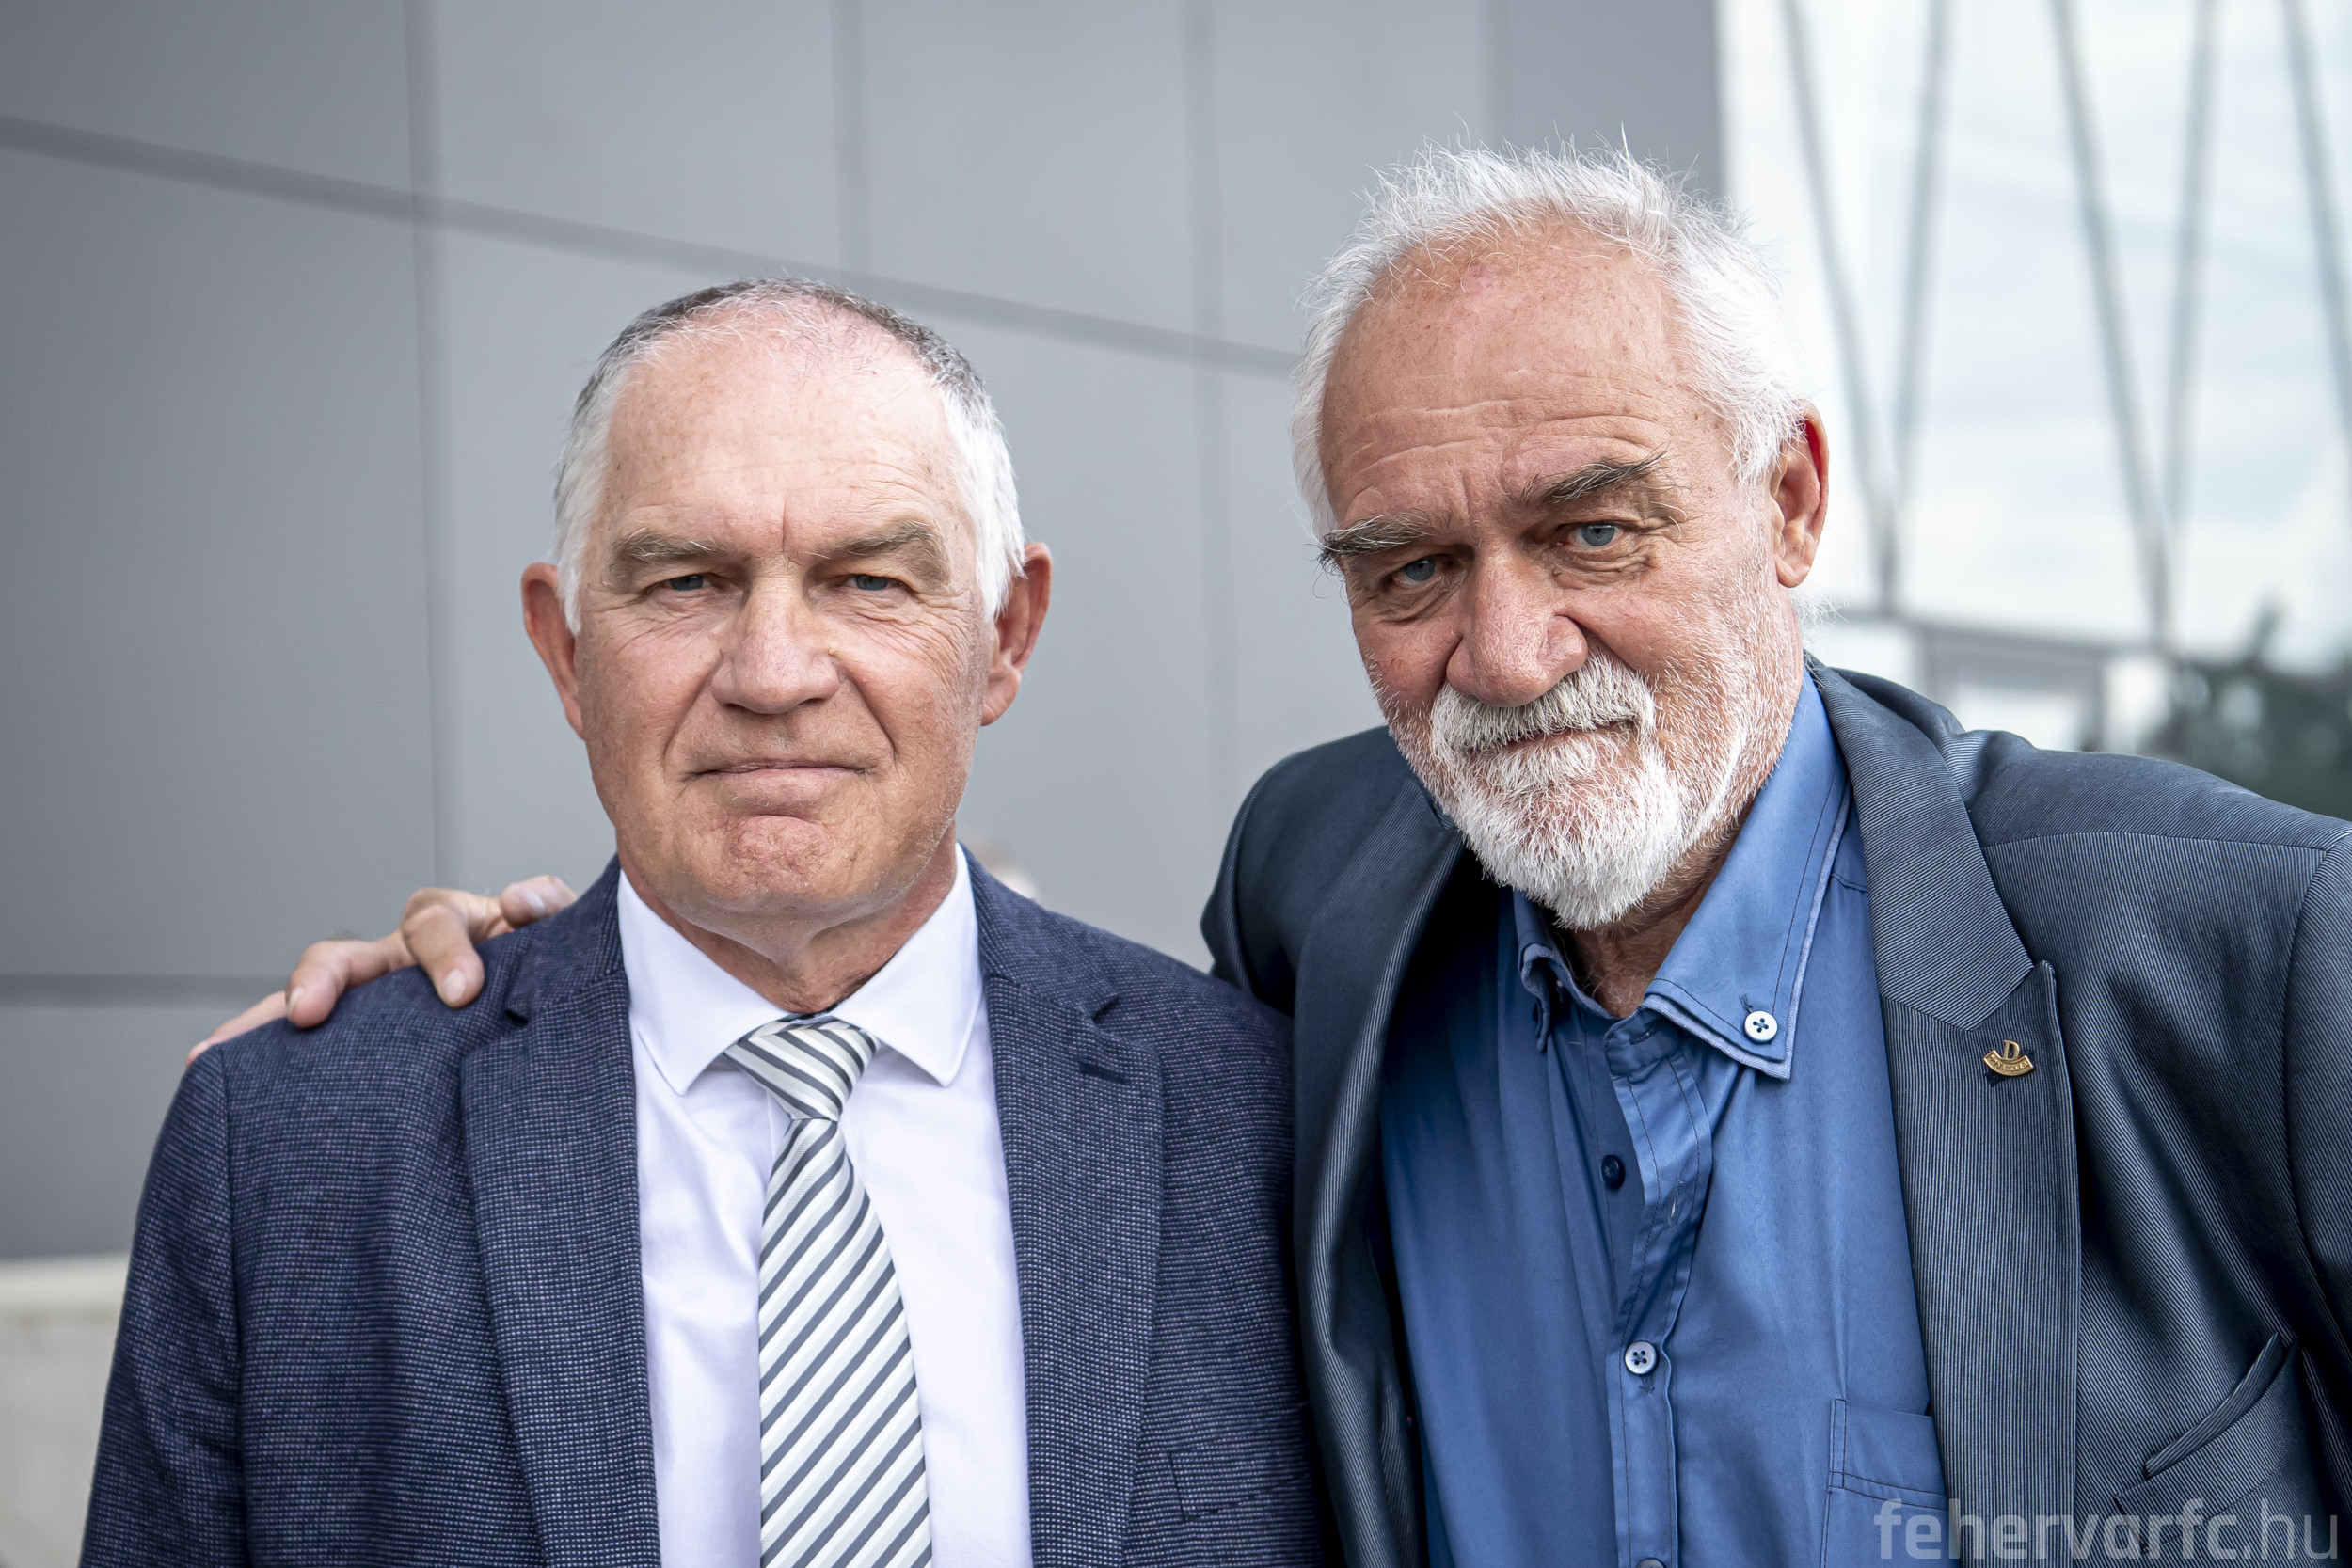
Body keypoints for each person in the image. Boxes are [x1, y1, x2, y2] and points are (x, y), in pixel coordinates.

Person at [211, 150, 2352, 1567]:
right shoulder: (1318, 918)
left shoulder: (2241, 952)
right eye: (1407, 566)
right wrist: (550, 982)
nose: (1505, 649)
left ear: (1787, 500)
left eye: (1593, 528)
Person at [89, 280, 1321, 1568]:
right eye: (686, 582)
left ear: (1004, 634)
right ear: (565, 650)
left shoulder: (1270, 1121)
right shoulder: (282, 1147)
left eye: (867, 579)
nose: (774, 674)